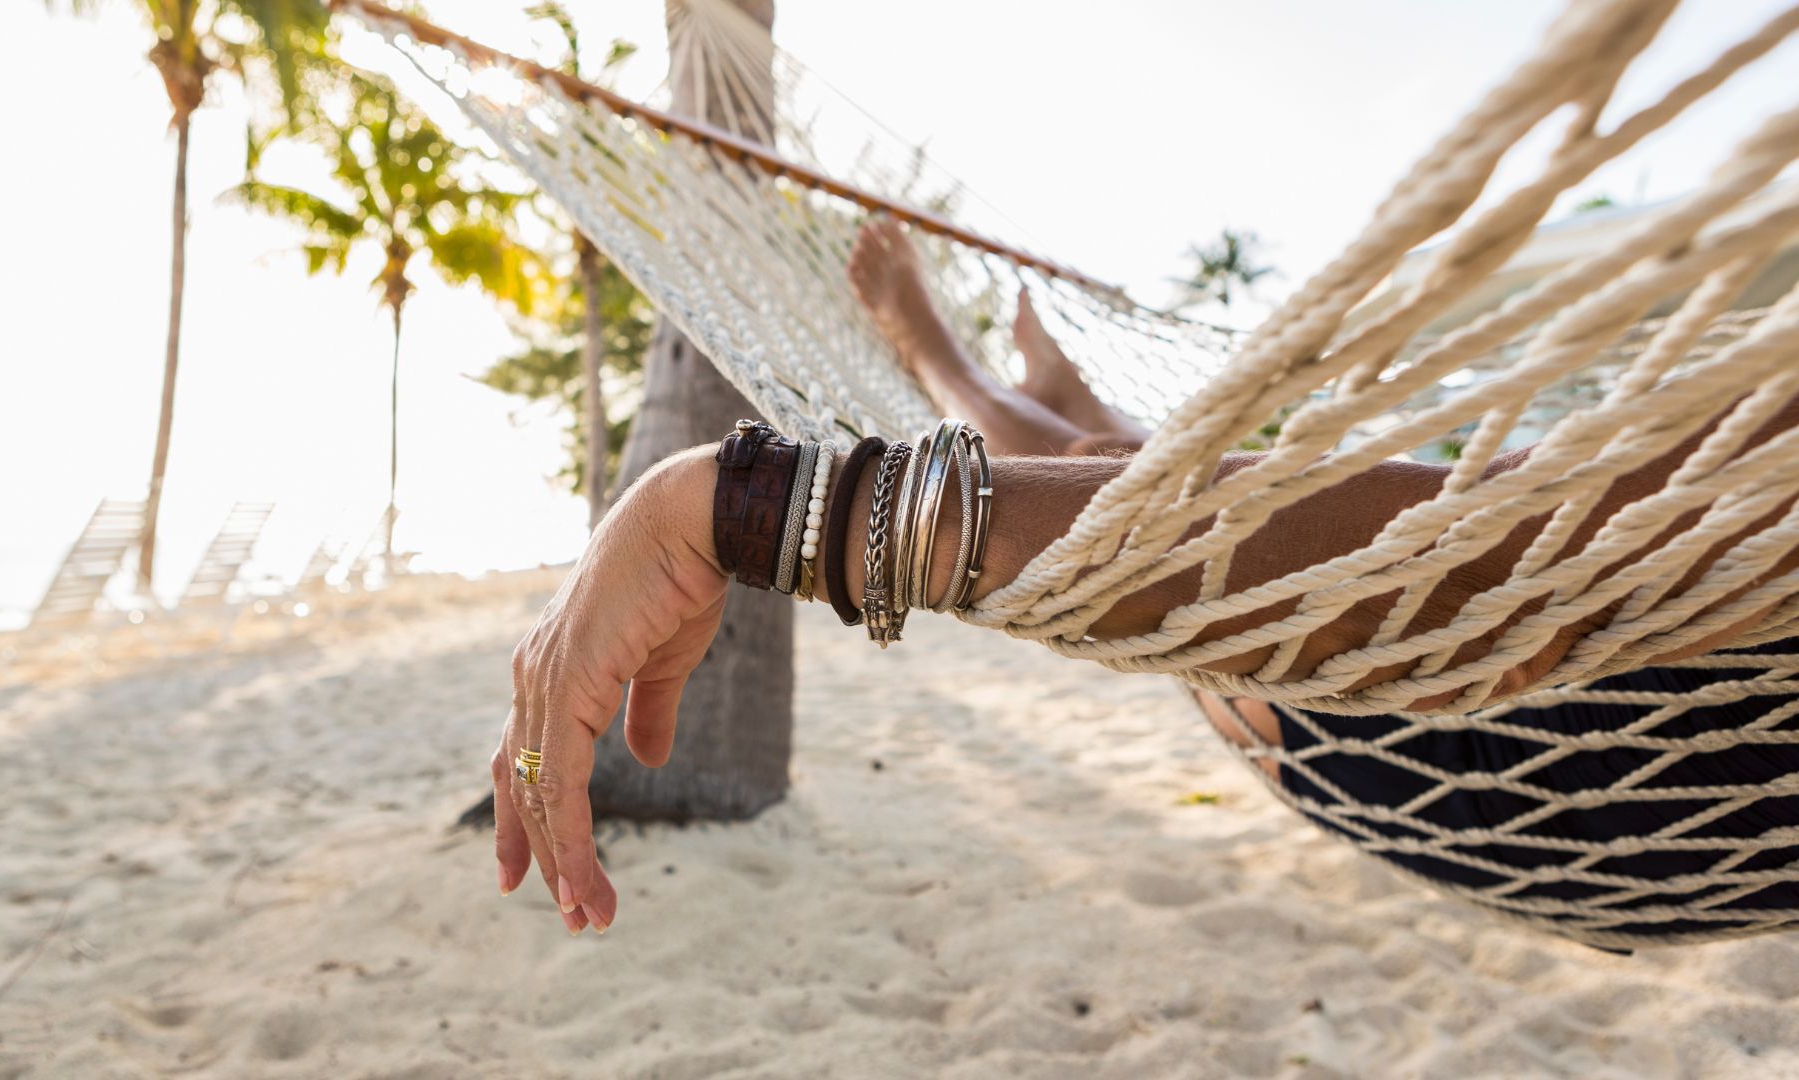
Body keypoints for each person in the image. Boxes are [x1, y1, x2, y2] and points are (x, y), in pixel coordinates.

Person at [493, 220, 1799, 941]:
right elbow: (1532, 536)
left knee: (1115, 470)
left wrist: (763, 507)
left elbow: (1488, 553)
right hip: (1527, 713)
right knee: (1118, 464)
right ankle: (1025, 399)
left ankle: (977, 379)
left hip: (1443, 723)